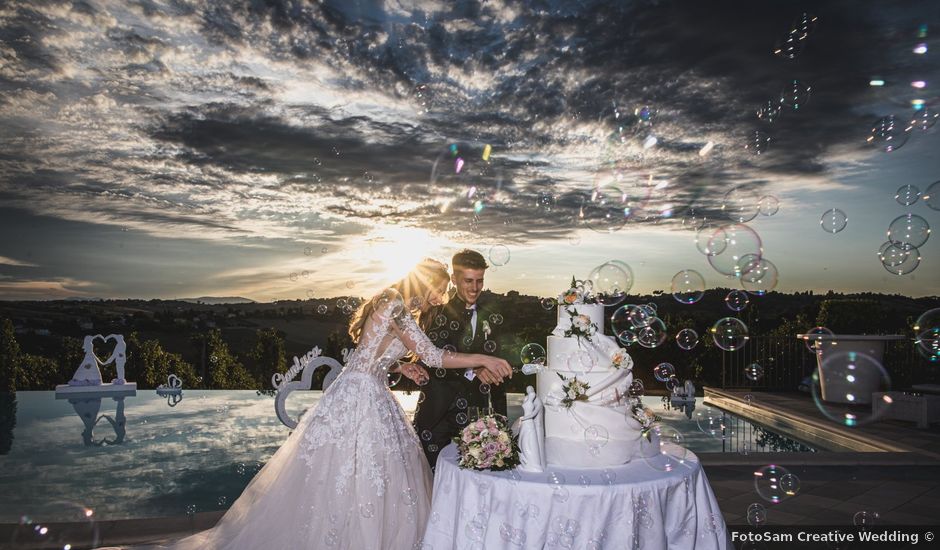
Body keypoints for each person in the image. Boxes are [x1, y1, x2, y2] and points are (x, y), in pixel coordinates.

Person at [118, 259, 511, 550]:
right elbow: (430, 354)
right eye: (440, 289)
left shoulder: (398, 308)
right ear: (427, 283)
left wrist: (402, 372)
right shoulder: (394, 303)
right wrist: (482, 359)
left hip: (367, 389)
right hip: (359, 397)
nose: (441, 298)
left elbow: (373, 356)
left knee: (361, 472)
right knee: (348, 472)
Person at [413, 249, 508, 469]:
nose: (475, 288)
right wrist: (474, 368)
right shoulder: (436, 309)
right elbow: (428, 358)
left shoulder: (494, 310)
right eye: (468, 281)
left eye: (479, 281)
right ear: (454, 280)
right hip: (439, 416)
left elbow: (500, 354)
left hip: (481, 416)